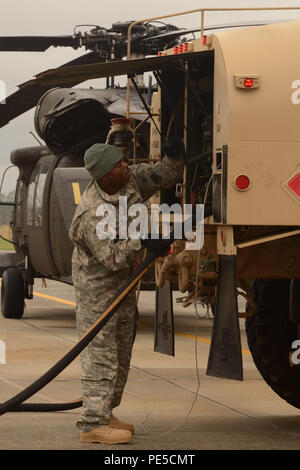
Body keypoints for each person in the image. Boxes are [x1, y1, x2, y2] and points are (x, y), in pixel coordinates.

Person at [69, 138, 184, 444]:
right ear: (105, 176)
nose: (126, 166)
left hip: (123, 285)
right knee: (100, 355)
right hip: (97, 289)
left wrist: (174, 156)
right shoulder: (92, 213)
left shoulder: (131, 181)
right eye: (119, 165)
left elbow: (163, 175)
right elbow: (113, 258)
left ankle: (105, 412)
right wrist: (145, 242)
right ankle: (92, 423)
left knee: (121, 351)